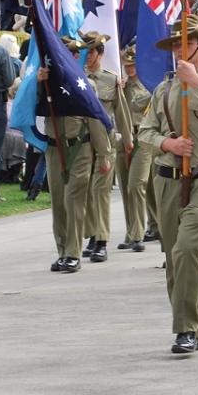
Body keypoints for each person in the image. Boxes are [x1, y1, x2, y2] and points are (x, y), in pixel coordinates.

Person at [137, 15, 198, 354]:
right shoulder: (163, 89)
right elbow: (144, 133)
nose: (181, 51)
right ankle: (187, 323)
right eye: (176, 44)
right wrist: (169, 145)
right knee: (173, 256)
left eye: (188, 44)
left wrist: (197, 83)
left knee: (187, 249)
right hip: (167, 180)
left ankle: (186, 329)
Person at [41, 35, 111, 273]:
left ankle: (73, 253)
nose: (71, 58)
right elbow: (17, 93)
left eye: (74, 54)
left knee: (74, 201)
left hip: (79, 148)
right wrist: (38, 80)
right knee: (58, 203)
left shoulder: (84, 84)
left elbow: (96, 122)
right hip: (53, 148)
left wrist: (104, 155)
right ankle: (62, 251)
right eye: (66, 54)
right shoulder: (45, 83)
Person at [80, 31, 123, 261]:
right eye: (85, 52)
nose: (88, 57)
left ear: (101, 53)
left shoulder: (110, 79)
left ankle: (102, 240)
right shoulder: (78, 78)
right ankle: (93, 235)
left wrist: (127, 139)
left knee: (101, 191)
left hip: (106, 141)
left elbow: (120, 111)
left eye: (92, 52)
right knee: (87, 191)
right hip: (85, 143)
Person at [114, 46, 155, 252]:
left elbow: (143, 103)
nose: (130, 69)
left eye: (133, 65)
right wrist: (117, 90)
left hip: (142, 138)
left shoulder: (149, 85)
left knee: (136, 185)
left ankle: (138, 234)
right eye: (127, 65)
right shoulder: (120, 85)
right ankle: (131, 232)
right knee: (125, 187)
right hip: (123, 137)